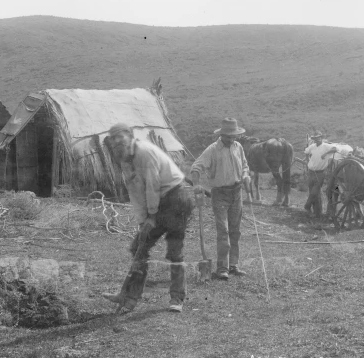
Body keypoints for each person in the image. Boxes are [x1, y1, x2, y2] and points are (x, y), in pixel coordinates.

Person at [101, 123, 195, 313]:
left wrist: (152, 216)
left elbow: (152, 185)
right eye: (114, 141)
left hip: (176, 199)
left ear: (131, 137)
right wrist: (142, 220)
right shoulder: (125, 159)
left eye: (121, 138)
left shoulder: (144, 152)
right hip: (159, 203)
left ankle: (177, 298)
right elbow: (135, 192)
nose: (118, 143)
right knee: (139, 247)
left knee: (175, 251)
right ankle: (128, 297)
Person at [190, 118, 251, 281]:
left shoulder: (238, 147)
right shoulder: (212, 150)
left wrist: (245, 176)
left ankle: (234, 265)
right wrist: (196, 184)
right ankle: (222, 268)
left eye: (234, 136)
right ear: (222, 135)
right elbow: (196, 167)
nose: (232, 139)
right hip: (220, 194)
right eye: (229, 136)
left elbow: (245, 166)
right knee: (223, 231)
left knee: (235, 231)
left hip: (236, 193)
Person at [303, 131, 333, 221]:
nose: (317, 139)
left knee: (314, 192)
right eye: (315, 138)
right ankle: (317, 213)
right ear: (314, 139)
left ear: (321, 138)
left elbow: (335, 149)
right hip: (311, 172)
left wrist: (325, 154)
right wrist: (308, 160)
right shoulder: (312, 146)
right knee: (312, 192)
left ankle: (307, 206)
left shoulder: (326, 146)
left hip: (320, 173)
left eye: (319, 137)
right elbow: (306, 151)